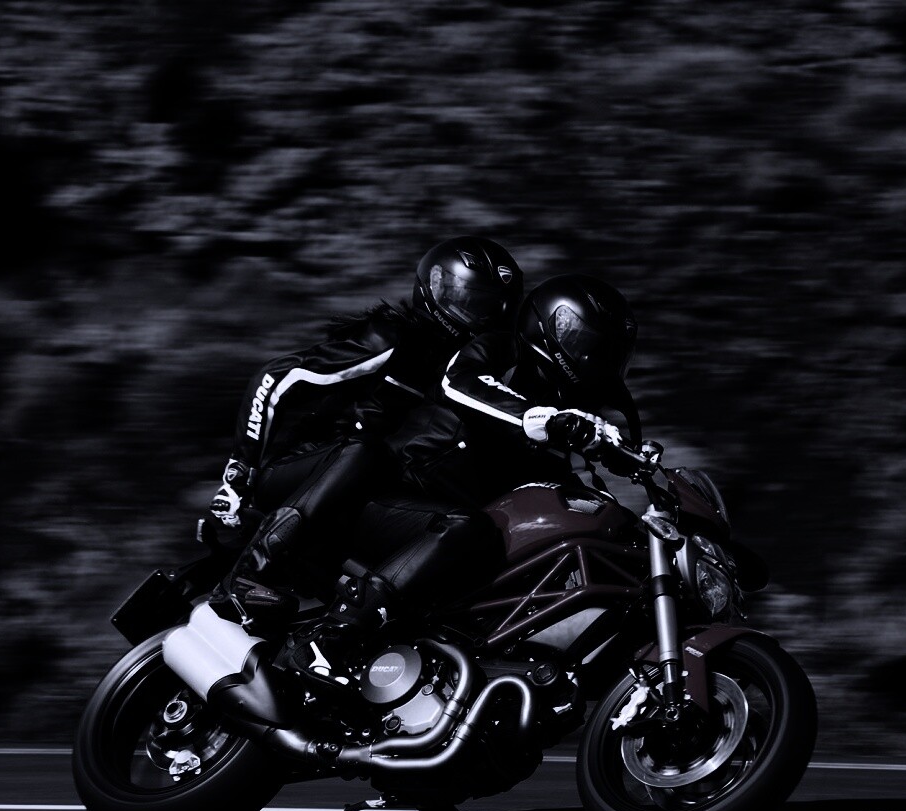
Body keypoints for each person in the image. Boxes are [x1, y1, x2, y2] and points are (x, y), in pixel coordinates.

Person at [286, 272, 641, 676]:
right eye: (589, 345)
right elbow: (462, 385)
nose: (596, 360)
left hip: (441, 536)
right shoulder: (501, 351)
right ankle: (330, 639)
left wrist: (626, 527)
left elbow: (556, 493)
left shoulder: (556, 427)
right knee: (467, 527)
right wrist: (541, 420)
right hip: (389, 498)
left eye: (610, 353)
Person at [204, 236, 525, 620]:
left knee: (460, 522)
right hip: (300, 473)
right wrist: (239, 474)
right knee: (366, 450)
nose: (474, 315)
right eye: (464, 300)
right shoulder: (392, 338)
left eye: (486, 308)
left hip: (360, 493)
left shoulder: (471, 374)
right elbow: (275, 379)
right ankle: (248, 573)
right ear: (433, 286)